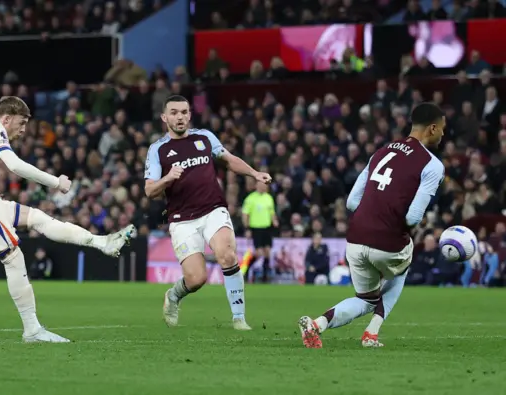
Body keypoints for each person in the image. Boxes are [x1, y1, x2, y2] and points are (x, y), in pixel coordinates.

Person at [0, 96, 136, 343]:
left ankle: (101, 242)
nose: (23, 130)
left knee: (37, 218)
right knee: (13, 256)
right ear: (6, 118)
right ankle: (32, 329)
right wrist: (56, 182)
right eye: (20, 123)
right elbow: (15, 165)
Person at [298, 102, 445, 348]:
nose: (443, 134)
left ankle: (316, 325)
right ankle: (371, 333)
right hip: (388, 241)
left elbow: (352, 201)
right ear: (431, 128)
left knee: (366, 299)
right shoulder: (432, 165)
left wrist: (375, 214)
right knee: (402, 269)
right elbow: (413, 218)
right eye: (442, 129)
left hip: (355, 238)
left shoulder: (381, 151)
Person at [144, 95, 272, 330]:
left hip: (213, 209)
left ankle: (239, 318)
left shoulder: (204, 137)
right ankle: (173, 296)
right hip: (182, 219)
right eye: (174, 112)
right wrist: (168, 177)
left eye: (184, 112)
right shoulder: (158, 150)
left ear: (190, 115)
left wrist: (254, 174)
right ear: (164, 117)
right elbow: (149, 190)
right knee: (196, 279)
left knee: (227, 254)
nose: (180, 117)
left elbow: (229, 160)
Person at [241, 180, 277, 282]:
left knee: (268, 252)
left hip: (267, 228)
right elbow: (245, 214)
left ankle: (265, 277)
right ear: (256, 185)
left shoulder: (268, 198)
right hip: (256, 228)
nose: (263, 187)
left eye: (264, 185)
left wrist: (274, 220)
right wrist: (247, 228)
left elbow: (272, 212)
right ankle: (245, 270)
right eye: (261, 184)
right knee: (259, 253)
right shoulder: (251, 198)